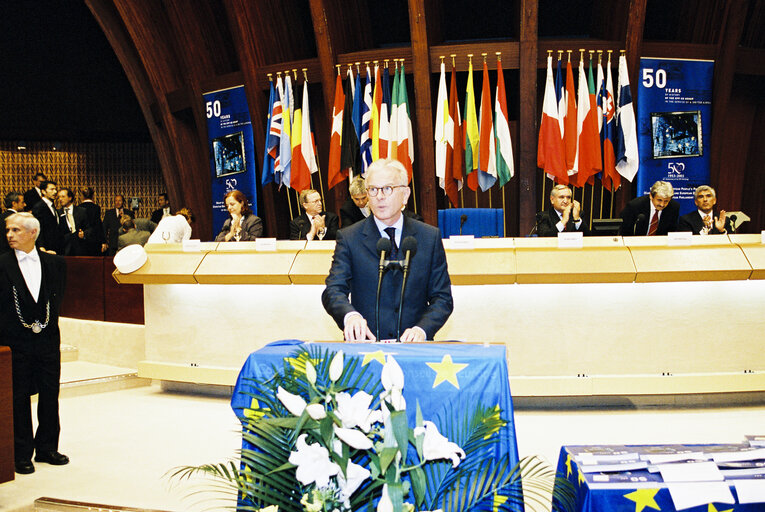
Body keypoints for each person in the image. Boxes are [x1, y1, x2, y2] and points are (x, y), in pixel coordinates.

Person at [322, 158, 453, 342]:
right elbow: (333, 290)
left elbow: (442, 299)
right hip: (366, 349)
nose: (380, 197)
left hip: (414, 349)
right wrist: (350, 316)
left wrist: (422, 330)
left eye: (387, 189)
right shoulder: (349, 238)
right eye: (373, 190)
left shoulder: (428, 237)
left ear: (405, 194)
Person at [1, 213, 69, 474]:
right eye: (8, 230)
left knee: (50, 394)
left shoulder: (56, 263)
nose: (9, 235)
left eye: (16, 230)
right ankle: (21, 453)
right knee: (18, 397)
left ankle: (47, 447)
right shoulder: (2, 264)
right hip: (14, 342)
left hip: (48, 340)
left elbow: (57, 298)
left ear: (32, 233)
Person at [31, 180, 63, 254]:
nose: (55, 192)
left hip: (56, 246)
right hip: (46, 248)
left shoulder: (52, 206)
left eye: (55, 189)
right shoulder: (39, 207)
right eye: (51, 189)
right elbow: (37, 228)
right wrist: (41, 246)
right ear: (43, 191)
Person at [56, 188, 88, 256]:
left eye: (63, 196)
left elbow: (89, 228)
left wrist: (84, 234)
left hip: (80, 247)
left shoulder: (81, 211)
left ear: (70, 198)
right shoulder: (57, 213)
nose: (60, 199)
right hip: (63, 249)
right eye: (59, 197)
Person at [78, 187, 105, 256]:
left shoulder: (78, 207)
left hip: (82, 238)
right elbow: (98, 225)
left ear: (82, 196)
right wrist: (103, 241)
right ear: (93, 196)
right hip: (95, 238)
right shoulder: (96, 208)